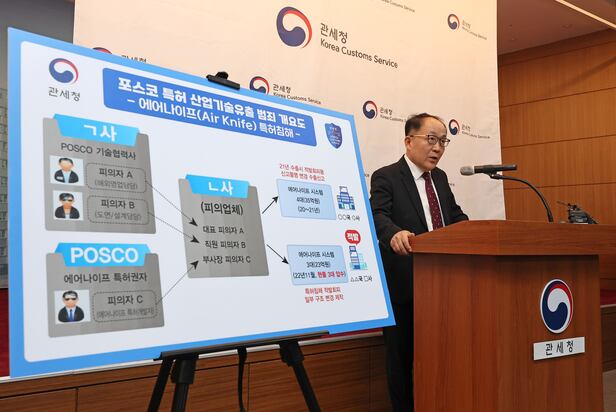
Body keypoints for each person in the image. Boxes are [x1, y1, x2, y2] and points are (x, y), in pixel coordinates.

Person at [370, 113, 468, 411]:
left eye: (443, 141)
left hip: (443, 285)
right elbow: (377, 215)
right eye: (431, 139)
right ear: (409, 141)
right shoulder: (386, 176)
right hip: (404, 286)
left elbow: (454, 216)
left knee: (441, 357)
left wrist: (472, 230)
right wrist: (394, 233)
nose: (438, 148)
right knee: (401, 363)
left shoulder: (440, 178)